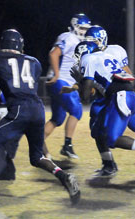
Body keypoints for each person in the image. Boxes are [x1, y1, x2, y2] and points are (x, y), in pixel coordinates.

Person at [0, 29, 80, 207]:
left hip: (18, 109)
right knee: (37, 157)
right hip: (38, 110)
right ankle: (64, 176)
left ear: (2, 43)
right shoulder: (34, 62)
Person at [67, 40, 135, 178]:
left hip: (120, 97)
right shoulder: (108, 56)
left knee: (112, 139)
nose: (78, 60)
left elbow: (85, 97)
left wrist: (79, 80)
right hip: (129, 95)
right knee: (129, 126)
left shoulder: (88, 58)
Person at [44, 13, 91, 159]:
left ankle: (37, 142)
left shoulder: (79, 42)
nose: (84, 31)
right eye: (82, 28)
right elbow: (53, 54)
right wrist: (57, 75)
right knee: (76, 111)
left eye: (86, 28)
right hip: (60, 81)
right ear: (75, 26)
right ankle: (67, 146)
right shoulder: (68, 37)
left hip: (62, 82)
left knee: (58, 118)